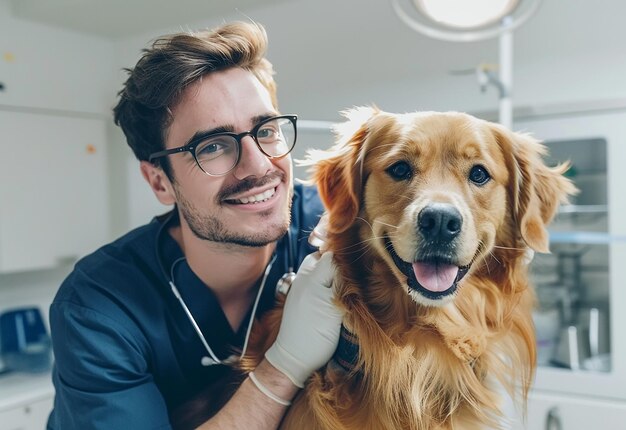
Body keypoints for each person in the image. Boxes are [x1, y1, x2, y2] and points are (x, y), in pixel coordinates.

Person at [47, 21, 344, 430]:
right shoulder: (99, 306)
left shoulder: (337, 224)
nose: (259, 166)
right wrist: (283, 368)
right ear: (160, 181)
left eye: (267, 130)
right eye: (214, 146)